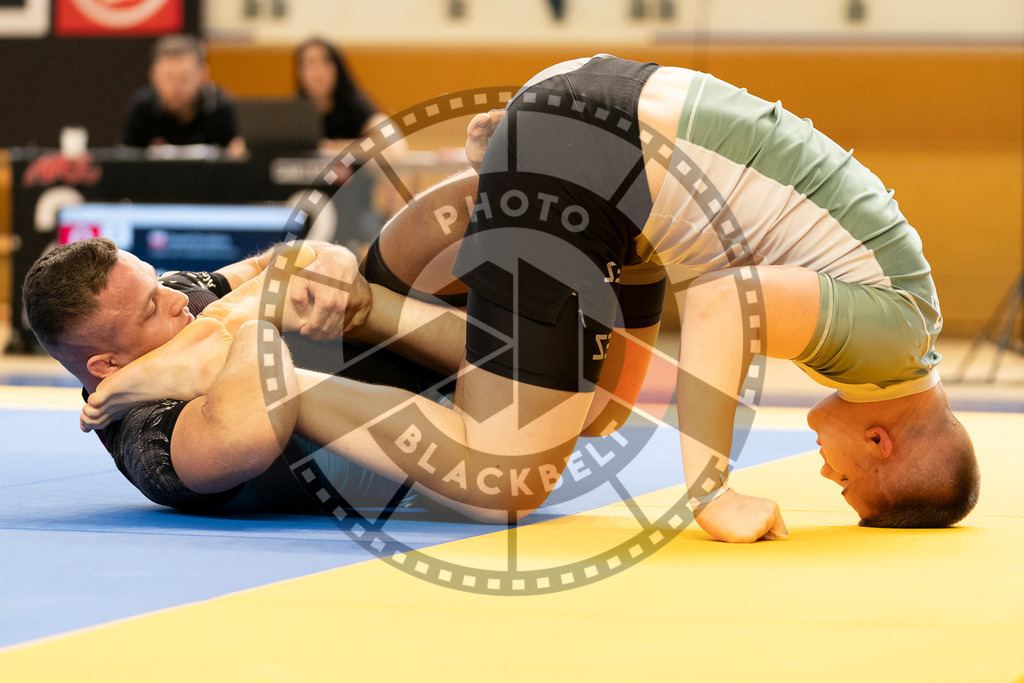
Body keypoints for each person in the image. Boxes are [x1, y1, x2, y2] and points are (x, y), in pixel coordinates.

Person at [72, 55, 980, 541]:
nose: (828, 476)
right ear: (883, 441)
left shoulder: (905, 314)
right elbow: (722, 308)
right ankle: (284, 382)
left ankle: (405, 266)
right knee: (506, 479)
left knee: (601, 408)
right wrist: (708, 491)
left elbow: (718, 283)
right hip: (603, 160)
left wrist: (537, 129)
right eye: (849, 484)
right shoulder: (892, 340)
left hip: (604, 124)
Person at [22, 237, 461, 513]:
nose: (176, 299)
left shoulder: (177, 299)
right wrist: (237, 330)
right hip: (448, 434)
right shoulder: (146, 438)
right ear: (107, 367)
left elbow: (278, 262)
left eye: (157, 281)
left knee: (415, 230)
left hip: (424, 346)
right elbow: (246, 437)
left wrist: (332, 258)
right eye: (151, 307)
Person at [123, 34, 245, 156]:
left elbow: (236, 156)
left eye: (184, 78)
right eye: (169, 78)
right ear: (153, 75)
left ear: (203, 74)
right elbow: (125, 159)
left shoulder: (219, 108)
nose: (176, 86)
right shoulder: (142, 108)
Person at [294, 38, 406, 156]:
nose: (319, 71)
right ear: (299, 71)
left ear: (338, 68)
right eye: (310, 63)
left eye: (326, 62)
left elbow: (393, 143)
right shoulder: (294, 112)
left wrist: (332, 147)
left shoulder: (355, 105)